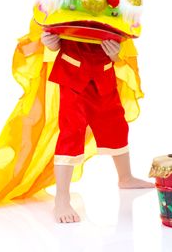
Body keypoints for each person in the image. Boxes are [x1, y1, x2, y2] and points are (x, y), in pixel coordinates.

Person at [41, 32, 153, 224]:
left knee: (116, 124)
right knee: (71, 130)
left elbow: (123, 47)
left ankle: (125, 178)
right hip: (72, 73)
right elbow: (53, 26)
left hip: (103, 72)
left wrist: (116, 53)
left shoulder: (120, 5)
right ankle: (62, 198)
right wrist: (50, 43)